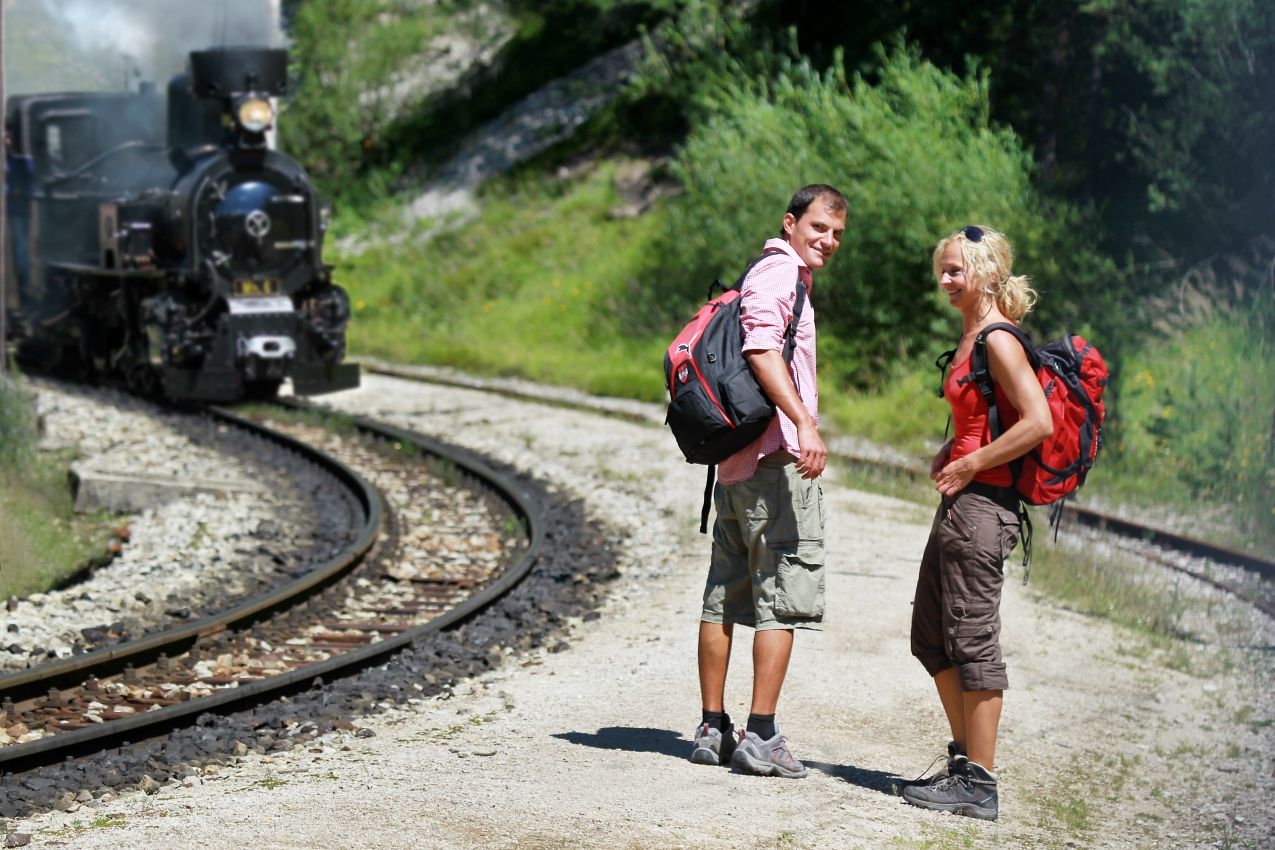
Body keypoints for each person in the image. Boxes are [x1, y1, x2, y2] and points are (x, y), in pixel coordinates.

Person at [689, 183, 846, 778]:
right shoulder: (782, 277)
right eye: (818, 229)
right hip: (775, 461)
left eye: (835, 234)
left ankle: (712, 725)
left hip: (735, 463)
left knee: (723, 594)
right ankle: (760, 733)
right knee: (784, 591)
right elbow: (760, 349)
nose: (827, 242)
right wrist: (804, 422)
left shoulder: (761, 273)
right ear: (790, 224)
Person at [902, 225, 1052, 820]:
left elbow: (1037, 420)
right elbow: (981, 416)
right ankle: (966, 764)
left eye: (955, 271)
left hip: (985, 508)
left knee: (971, 643)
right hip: (961, 504)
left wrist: (971, 463)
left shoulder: (998, 341)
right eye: (942, 269)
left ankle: (979, 784)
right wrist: (952, 454)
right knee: (931, 637)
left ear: (987, 275)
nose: (944, 281)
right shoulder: (969, 341)